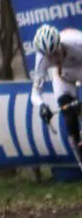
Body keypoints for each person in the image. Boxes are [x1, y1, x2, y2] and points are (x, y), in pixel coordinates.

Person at [32, 24, 82, 158]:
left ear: (60, 44)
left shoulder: (76, 41)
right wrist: (42, 106)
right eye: (49, 57)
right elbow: (35, 94)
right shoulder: (41, 60)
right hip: (63, 74)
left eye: (55, 53)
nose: (54, 58)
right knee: (68, 114)